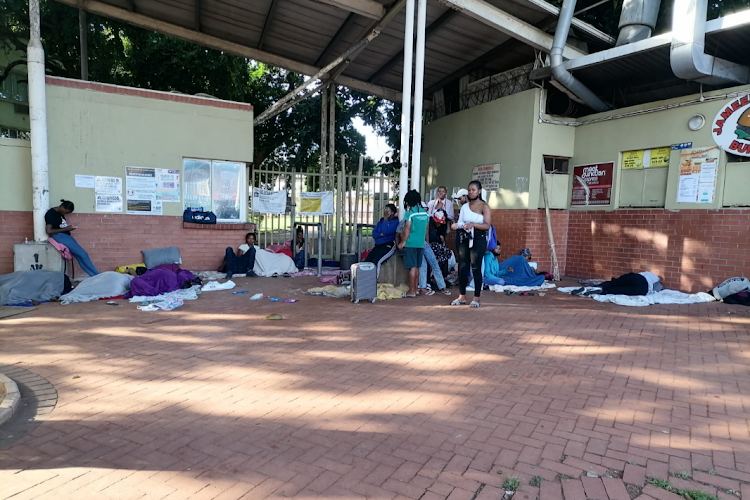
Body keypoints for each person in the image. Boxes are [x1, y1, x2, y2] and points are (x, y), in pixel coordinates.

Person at [451, 181, 491, 308]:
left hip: (478, 238)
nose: (471, 192)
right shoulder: (464, 207)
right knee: (462, 266)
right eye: (469, 190)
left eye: (473, 190)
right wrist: (456, 225)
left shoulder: (484, 206)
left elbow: (487, 225)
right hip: (464, 237)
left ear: (479, 191)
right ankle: (462, 296)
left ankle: (477, 298)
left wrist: (473, 225)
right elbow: (460, 222)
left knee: (476, 267)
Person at [45, 199, 100, 277]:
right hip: (60, 236)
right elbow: (49, 230)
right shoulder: (51, 213)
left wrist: (67, 228)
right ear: (62, 207)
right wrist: (66, 229)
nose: (66, 214)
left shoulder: (59, 213)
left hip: (64, 236)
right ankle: (98, 275)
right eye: (66, 212)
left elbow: (59, 226)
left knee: (80, 257)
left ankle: (94, 275)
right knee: (84, 254)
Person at [398, 190, 429, 298]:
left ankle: (411, 291)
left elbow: (407, 228)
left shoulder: (410, 213)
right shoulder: (425, 213)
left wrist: (403, 241)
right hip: (420, 243)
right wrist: (425, 241)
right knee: (416, 267)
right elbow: (426, 230)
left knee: (412, 267)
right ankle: (415, 290)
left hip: (411, 243)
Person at [365, 204, 399, 277]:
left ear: (392, 213)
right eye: (385, 210)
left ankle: (374, 280)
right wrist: (380, 234)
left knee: (377, 261)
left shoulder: (395, 222)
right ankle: (365, 279)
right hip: (378, 245)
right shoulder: (381, 222)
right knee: (367, 261)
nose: (385, 212)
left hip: (388, 245)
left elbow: (385, 231)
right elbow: (374, 234)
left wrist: (386, 220)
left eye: (388, 211)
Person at [574, 271, 662, 297]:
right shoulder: (658, 283)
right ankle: (604, 291)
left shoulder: (648, 274)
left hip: (636, 277)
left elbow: (633, 275)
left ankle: (600, 287)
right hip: (643, 288)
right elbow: (658, 289)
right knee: (621, 290)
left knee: (615, 283)